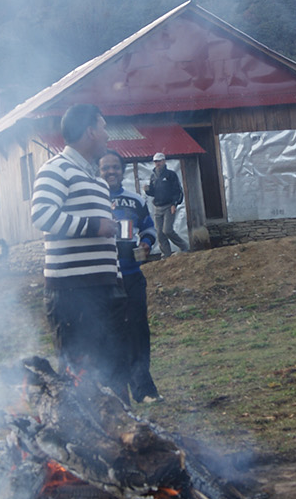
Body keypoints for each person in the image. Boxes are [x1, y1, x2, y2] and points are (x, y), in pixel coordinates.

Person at [30, 104, 126, 398]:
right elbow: (42, 216)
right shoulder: (56, 169)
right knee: (80, 377)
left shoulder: (98, 180)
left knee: (115, 371)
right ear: (90, 131)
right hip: (73, 293)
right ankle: (84, 440)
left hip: (106, 289)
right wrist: (93, 226)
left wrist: (117, 278)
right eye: (104, 127)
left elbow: (103, 236)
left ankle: (127, 438)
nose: (108, 135)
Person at [99, 149, 161, 403]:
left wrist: (146, 243)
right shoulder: (91, 200)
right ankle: (114, 390)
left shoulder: (135, 199)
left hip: (132, 273)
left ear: (122, 171)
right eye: (105, 168)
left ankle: (143, 389)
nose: (111, 172)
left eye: (115, 167)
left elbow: (148, 227)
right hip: (103, 277)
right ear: (97, 171)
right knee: (109, 334)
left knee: (138, 330)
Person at [144, 152, 188, 256]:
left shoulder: (170, 175)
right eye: (155, 161)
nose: (157, 163)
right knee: (159, 233)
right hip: (157, 207)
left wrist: (174, 204)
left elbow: (177, 191)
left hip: (169, 205)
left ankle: (184, 246)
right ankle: (166, 255)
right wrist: (147, 190)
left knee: (167, 230)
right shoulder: (153, 176)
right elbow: (153, 192)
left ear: (164, 161)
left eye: (159, 161)